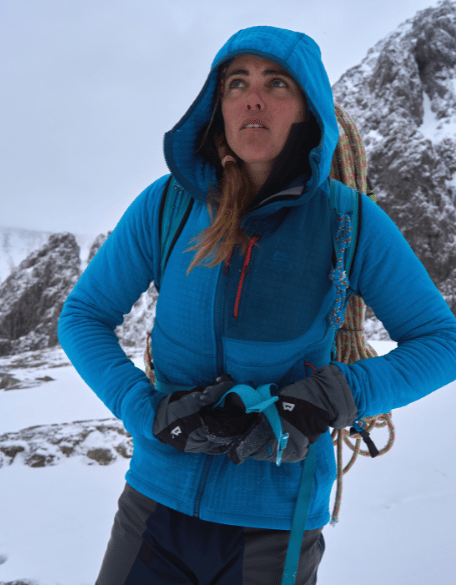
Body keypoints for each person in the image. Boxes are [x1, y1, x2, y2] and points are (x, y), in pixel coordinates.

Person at [58, 26, 456, 585]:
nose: (253, 98)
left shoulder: (349, 220)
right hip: (153, 506)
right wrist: (142, 409)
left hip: (277, 522)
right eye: (237, 83)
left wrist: (332, 397)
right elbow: (83, 317)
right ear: (217, 104)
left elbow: (442, 341)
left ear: (307, 108)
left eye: (277, 83)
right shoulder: (167, 205)